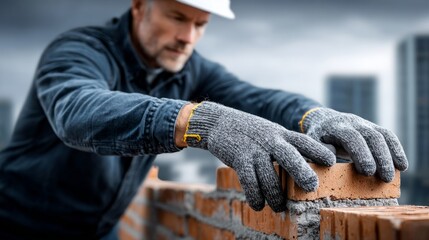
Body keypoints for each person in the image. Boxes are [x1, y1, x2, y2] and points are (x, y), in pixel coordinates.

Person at [0, 0, 408, 239]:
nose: (188, 37)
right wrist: (202, 121)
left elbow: (254, 98)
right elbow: (79, 112)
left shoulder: (189, 69)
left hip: (98, 230)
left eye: (201, 24)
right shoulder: (79, 50)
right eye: (178, 17)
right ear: (140, 6)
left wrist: (314, 115)